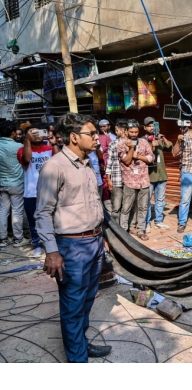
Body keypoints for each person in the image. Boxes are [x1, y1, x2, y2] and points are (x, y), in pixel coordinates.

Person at [36, 113, 111, 362]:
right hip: (70, 246)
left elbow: (93, 204)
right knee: (72, 304)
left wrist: (101, 236)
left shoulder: (88, 163)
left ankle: (81, 343)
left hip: (94, 243)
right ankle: (77, 360)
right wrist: (52, 251)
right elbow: (43, 213)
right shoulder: (54, 166)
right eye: (92, 133)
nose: (98, 139)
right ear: (74, 137)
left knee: (87, 299)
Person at [17, 123, 55, 258]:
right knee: (33, 222)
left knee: (53, 220)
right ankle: (37, 245)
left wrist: (54, 143)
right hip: (31, 193)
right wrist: (27, 140)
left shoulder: (50, 148)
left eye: (38, 132)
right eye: (32, 133)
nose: (36, 135)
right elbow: (27, 159)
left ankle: (52, 246)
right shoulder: (22, 150)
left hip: (51, 192)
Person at [117, 120, 154, 241]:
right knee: (126, 208)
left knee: (143, 207)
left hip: (144, 180)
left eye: (136, 131)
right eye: (131, 131)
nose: (134, 134)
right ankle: (123, 230)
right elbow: (127, 161)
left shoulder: (143, 142)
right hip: (129, 181)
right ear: (126, 131)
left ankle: (141, 230)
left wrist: (138, 156)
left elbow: (151, 157)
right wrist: (131, 149)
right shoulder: (122, 144)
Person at [0, 121, 29, 248]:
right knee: (17, 211)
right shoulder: (18, 147)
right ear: (12, 133)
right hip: (16, 183)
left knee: (2, 210)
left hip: (1, 183)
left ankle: (3, 239)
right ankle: (18, 238)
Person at [142, 116, 173, 231]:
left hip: (161, 175)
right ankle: (147, 222)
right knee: (147, 201)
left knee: (160, 200)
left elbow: (170, 147)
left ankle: (159, 221)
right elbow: (143, 156)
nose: (151, 128)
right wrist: (151, 145)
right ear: (145, 127)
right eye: (149, 126)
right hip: (149, 176)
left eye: (153, 125)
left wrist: (163, 138)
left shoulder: (159, 139)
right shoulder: (142, 140)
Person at [106, 119, 127, 223]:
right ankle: (117, 228)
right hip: (117, 180)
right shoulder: (113, 144)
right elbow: (109, 163)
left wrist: (109, 180)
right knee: (117, 206)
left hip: (128, 180)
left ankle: (123, 228)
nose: (116, 131)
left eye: (116, 130)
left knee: (124, 206)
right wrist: (109, 180)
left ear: (121, 130)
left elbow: (109, 163)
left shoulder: (131, 144)